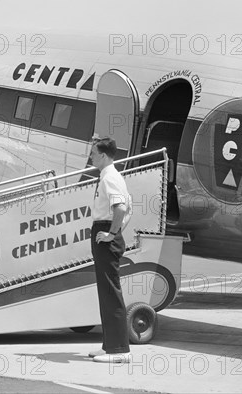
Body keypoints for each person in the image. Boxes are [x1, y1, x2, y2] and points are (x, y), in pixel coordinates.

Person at [87, 137, 132, 363]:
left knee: (111, 294)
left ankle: (119, 351)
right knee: (106, 293)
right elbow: (128, 206)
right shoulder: (108, 176)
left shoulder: (110, 177)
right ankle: (110, 346)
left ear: (103, 155)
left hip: (106, 235)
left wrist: (112, 234)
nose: (91, 156)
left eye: (93, 153)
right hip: (104, 232)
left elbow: (121, 208)